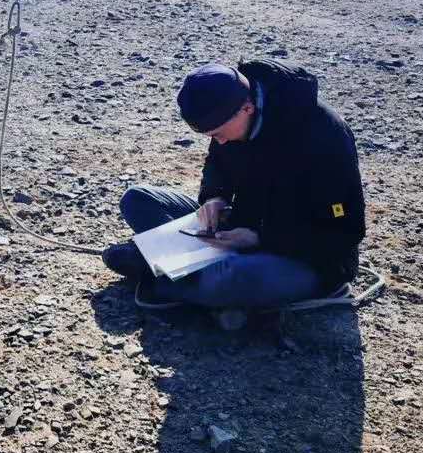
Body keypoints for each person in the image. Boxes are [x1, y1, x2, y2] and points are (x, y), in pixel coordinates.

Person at [102, 60, 366, 318]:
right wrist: (214, 198)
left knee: (228, 277)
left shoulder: (325, 135)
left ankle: (159, 273)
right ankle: (184, 275)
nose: (219, 142)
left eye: (218, 134)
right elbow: (217, 165)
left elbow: (344, 232)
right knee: (138, 199)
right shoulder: (230, 113)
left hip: (307, 259)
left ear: (247, 108)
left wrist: (260, 238)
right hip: (240, 228)